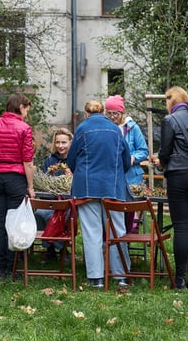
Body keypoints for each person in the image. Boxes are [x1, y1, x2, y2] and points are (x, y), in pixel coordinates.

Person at [67, 99, 131, 289]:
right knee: (117, 231)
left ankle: (96, 278)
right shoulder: (115, 130)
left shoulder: (82, 129)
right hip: (113, 188)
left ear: (86, 113)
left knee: (92, 232)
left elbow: (71, 160)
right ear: (103, 112)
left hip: (86, 187)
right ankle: (120, 275)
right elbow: (126, 160)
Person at [0, 93, 35, 281]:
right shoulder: (24, 128)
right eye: (27, 109)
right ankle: (13, 269)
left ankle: (1, 269)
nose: (27, 113)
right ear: (20, 107)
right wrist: (30, 186)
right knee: (14, 224)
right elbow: (27, 162)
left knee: (0, 225)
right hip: (16, 179)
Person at [157, 87, 188, 290]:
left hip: (178, 175)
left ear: (171, 101)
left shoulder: (169, 121)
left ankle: (179, 278)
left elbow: (166, 150)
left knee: (181, 226)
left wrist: (161, 161)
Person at [104, 94, 149, 234]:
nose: (112, 117)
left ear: (122, 113)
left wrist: (133, 158)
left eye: (115, 113)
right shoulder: (105, 128)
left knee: (128, 211)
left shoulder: (132, 128)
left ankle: (127, 241)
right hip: (111, 176)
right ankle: (112, 242)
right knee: (111, 210)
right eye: (109, 113)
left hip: (131, 177)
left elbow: (144, 150)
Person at [36, 128, 73, 263]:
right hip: (50, 200)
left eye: (64, 142)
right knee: (40, 214)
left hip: (67, 202)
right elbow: (44, 182)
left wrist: (71, 175)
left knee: (62, 216)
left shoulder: (75, 160)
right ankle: (50, 248)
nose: (60, 146)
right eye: (57, 142)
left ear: (70, 143)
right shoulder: (50, 160)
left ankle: (62, 248)